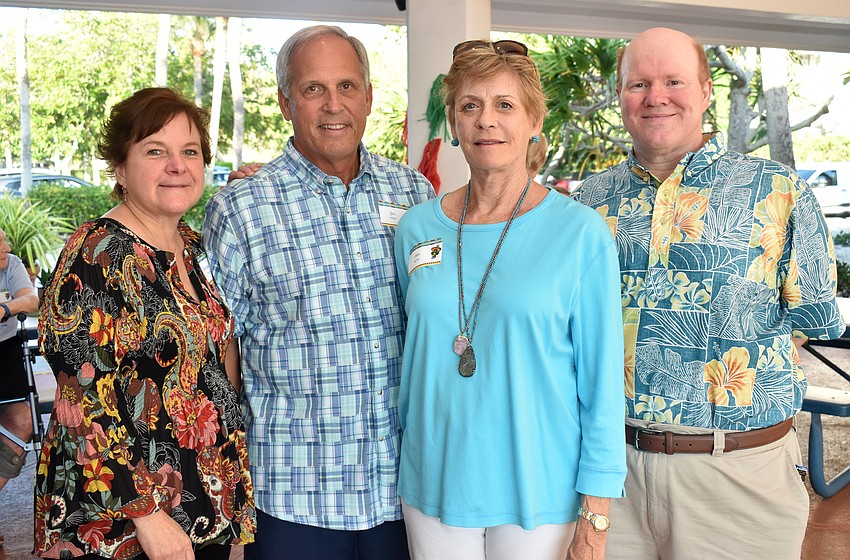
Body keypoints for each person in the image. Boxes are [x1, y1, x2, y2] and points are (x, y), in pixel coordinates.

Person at [573, 27, 844, 560]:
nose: (656, 97)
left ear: (705, 92)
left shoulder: (780, 191)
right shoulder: (588, 201)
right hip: (610, 480)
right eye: (638, 84)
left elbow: (810, 322)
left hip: (737, 478)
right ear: (621, 94)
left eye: (673, 80)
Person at [202, 25, 434, 560]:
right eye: (313, 89)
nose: (334, 105)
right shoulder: (240, 209)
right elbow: (220, 352)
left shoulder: (415, 194)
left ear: (370, 97)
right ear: (286, 103)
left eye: (348, 86)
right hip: (294, 495)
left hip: (405, 492)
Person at [393, 39, 626, 560]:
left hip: (538, 492)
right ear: (453, 123)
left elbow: (603, 385)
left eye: (504, 105)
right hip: (431, 481)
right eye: (469, 106)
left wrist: (596, 516)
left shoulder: (580, 234)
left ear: (533, 121)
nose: (485, 121)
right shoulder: (414, 229)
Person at [35, 87, 255, 560]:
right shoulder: (96, 253)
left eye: (189, 151)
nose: (177, 165)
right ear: (119, 167)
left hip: (198, 506)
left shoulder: (191, 248)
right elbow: (82, 400)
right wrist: (148, 516)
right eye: (156, 151)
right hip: (122, 523)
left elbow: (210, 368)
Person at [0, 227, 38, 547]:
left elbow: (30, 299)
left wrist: (5, 309)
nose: (6, 245)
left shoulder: (10, 263)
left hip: (6, 353)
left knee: (23, 419)